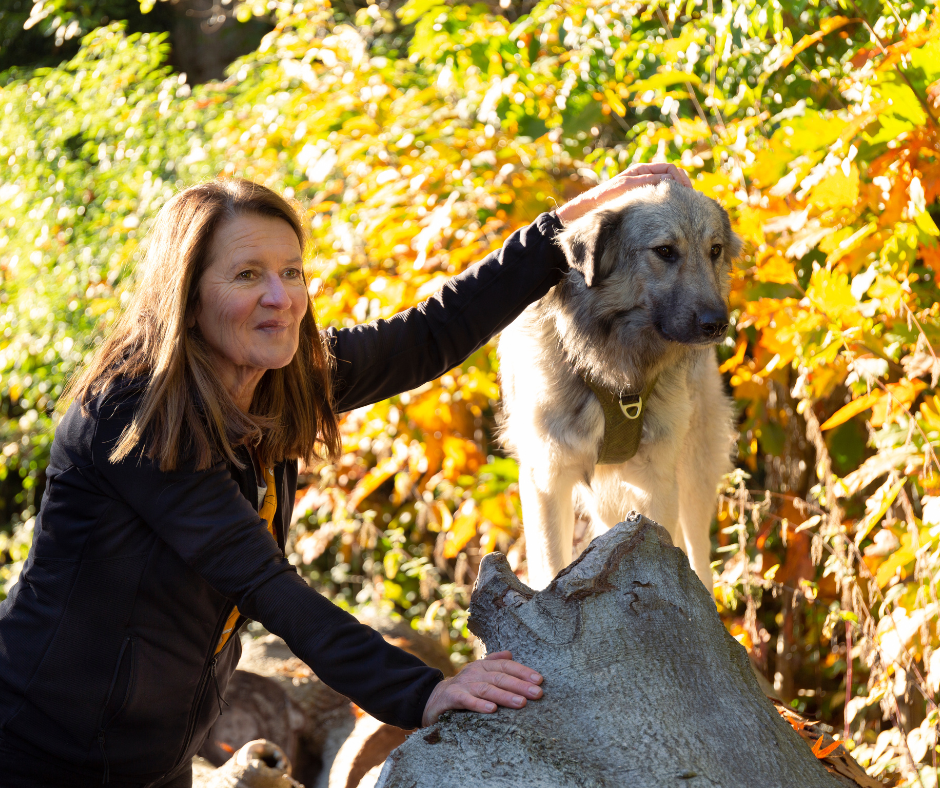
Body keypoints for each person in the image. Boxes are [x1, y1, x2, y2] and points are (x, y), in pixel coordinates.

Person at [0, 163, 690, 787]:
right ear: (186, 294)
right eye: (247, 276)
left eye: (292, 272)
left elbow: (432, 332)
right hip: (40, 748)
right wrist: (421, 693)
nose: (282, 297)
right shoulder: (135, 415)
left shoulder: (278, 378)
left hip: (154, 753)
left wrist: (570, 223)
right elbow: (265, 583)